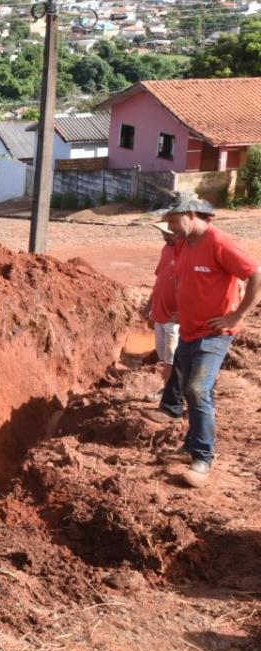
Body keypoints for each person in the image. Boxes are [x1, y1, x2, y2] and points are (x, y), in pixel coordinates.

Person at [145, 194, 261, 487]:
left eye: (173, 221)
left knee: (197, 389)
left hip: (214, 333)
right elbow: (181, 278)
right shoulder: (183, 244)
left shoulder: (219, 243)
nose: (170, 227)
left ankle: (202, 457)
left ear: (191, 215)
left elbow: (256, 274)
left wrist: (236, 315)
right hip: (189, 330)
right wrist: (178, 309)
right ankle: (190, 446)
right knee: (189, 388)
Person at [142, 221, 179, 401]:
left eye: (170, 232)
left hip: (176, 317)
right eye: (164, 232)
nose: (165, 236)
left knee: (172, 356)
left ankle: (170, 393)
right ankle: (170, 389)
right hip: (160, 314)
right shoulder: (166, 250)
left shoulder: (188, 253)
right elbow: (160, 280)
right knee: (164, 356)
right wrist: (150, 305)